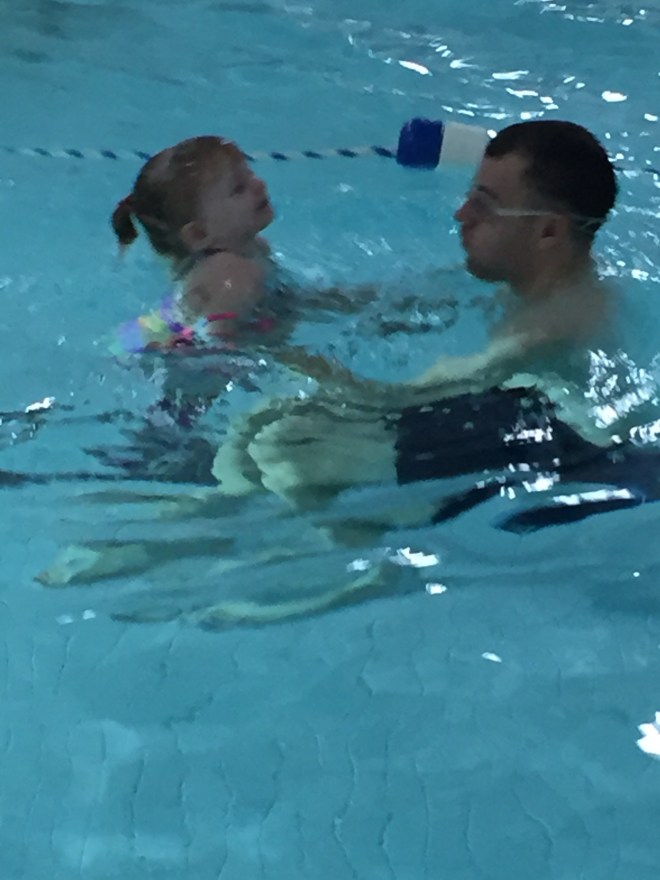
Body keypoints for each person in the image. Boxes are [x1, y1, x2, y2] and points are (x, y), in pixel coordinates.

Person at [210, 118, 631, 507]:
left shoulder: (552, 326)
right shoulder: (521, 277)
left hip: (542, 450)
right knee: (262, 423)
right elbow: (399, 297)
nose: (461, 215)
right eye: (469, 196)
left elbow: (401, 398)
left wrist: (295, 359)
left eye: (483, 206)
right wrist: (283, 300)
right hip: (485, 412)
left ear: (549, 231)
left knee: (288, 450)